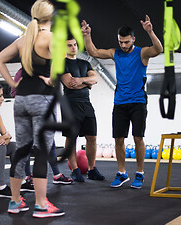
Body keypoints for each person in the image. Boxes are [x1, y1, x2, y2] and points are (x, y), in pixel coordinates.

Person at [0, 0, 65, 217]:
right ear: (51, 18)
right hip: (42, 99)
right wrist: (51, 80)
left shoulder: (23, 40)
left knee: (22, 149)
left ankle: (15, 201)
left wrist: (13, 84)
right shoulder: (52, 39)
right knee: (42, 150)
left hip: (21, 99)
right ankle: (42, 204)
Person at [81, 15, 163, 189]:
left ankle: (140, 173)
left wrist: (150, 31)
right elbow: (93, 52)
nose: (123, 45)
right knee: (118, 139)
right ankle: (122, 173)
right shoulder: (115, 53)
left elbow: (158, 49)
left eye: (126, 42)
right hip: (120, 103)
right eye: (121, 42)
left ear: (133, 39)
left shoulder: (142, 53)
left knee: (138, 138)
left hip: (138, 102)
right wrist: (87, 36)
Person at [10, 68, 73, 192]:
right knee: (27, 146)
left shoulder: (47, 70)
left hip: (42, 108)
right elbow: (13, 92)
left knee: (48, 143)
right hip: (30, 109)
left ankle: (56, 175)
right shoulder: (22, 72)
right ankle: (29, 179)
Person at [60, 36, 105, 182]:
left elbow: (95, 79)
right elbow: (69, 84)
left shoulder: (85, 63)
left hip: (86, 104)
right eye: (69, 45)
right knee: (71, 138)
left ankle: (92, 169)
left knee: (92, 137)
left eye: (74, 44)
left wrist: (80, 80)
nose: (73, 47)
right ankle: (75, 170)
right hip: (70, 104)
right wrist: (87, 82)